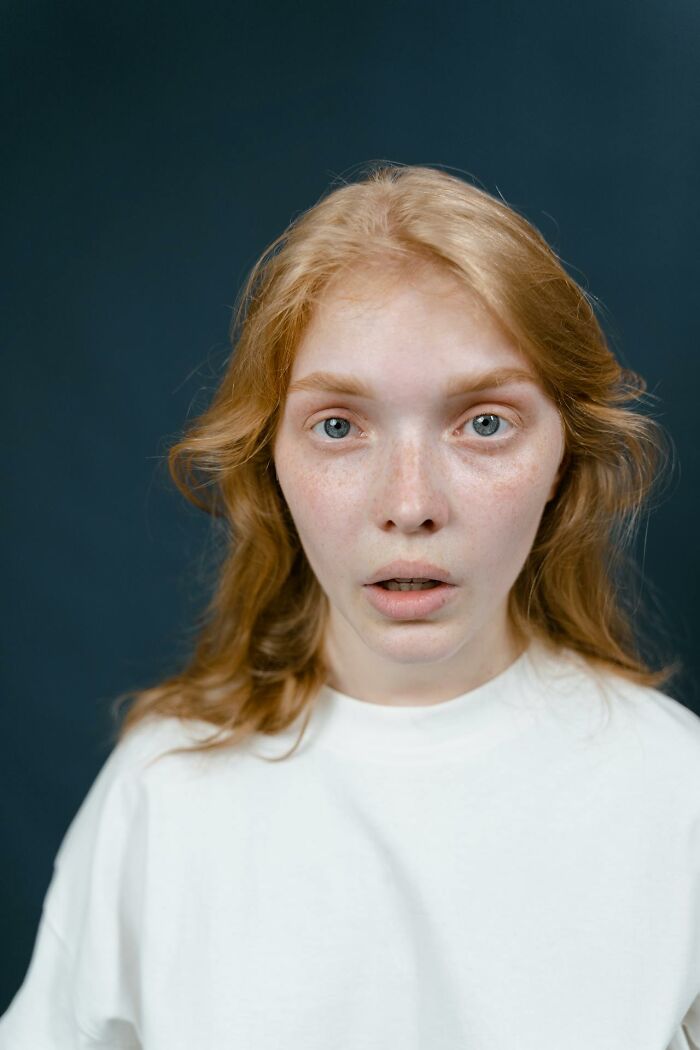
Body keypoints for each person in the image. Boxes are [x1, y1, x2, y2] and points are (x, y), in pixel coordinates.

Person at [1, 162, 699, 1049]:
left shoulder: (678, 799)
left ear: (567, 455)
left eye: (483, 422)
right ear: (269, 460)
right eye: (339, 426)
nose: (410, 504)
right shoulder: (163, 794)